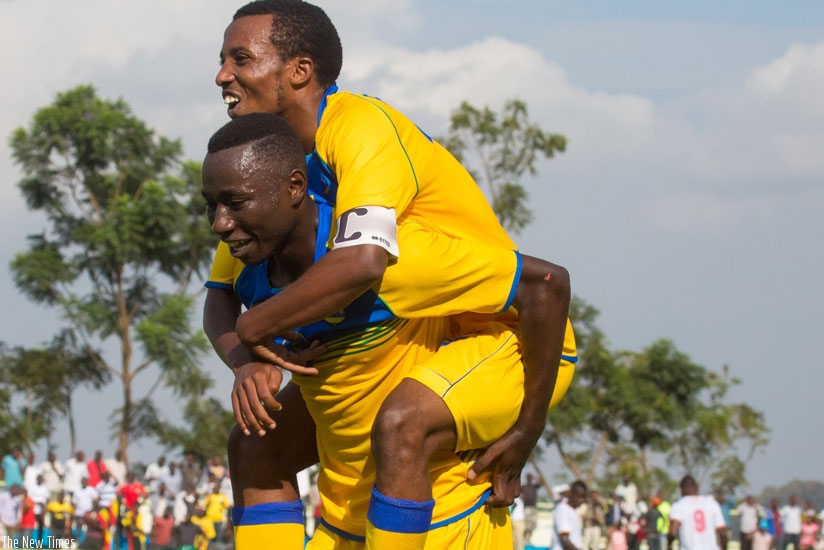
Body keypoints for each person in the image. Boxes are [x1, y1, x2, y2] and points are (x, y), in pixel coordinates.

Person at [206, 1, 576, 547]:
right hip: (418, 330)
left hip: (504, 332)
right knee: (255, 443)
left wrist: (527, 431)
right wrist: (242, 356)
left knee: (402, 421)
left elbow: (363, 263)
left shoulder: (360, 129)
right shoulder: (273, 179)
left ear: (300, 71)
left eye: (240, 58)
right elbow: (221, 293)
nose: (221, 75)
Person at [668, 475, 727, 550]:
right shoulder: (712, 504)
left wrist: (669, 546)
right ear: (697, 488)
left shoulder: (679, 505)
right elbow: (722, 533)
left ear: (681, 490)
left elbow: (673, 531)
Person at [552, 480, 588, 550]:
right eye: (579, 497)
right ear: (570, 494)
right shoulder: (563, 510)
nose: (581, 500)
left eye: (583, 497)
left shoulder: (573, 511)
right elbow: (565, 539)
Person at [521, 473, 542, 544]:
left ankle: (528, 539)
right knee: (526, 525)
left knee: (532, 524)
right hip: (526, 508)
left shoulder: (534, 486)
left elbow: (541, 482)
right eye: (528, 477)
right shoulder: (523, 487)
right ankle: (524, 540)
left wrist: (535, 477)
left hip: (533, 508)